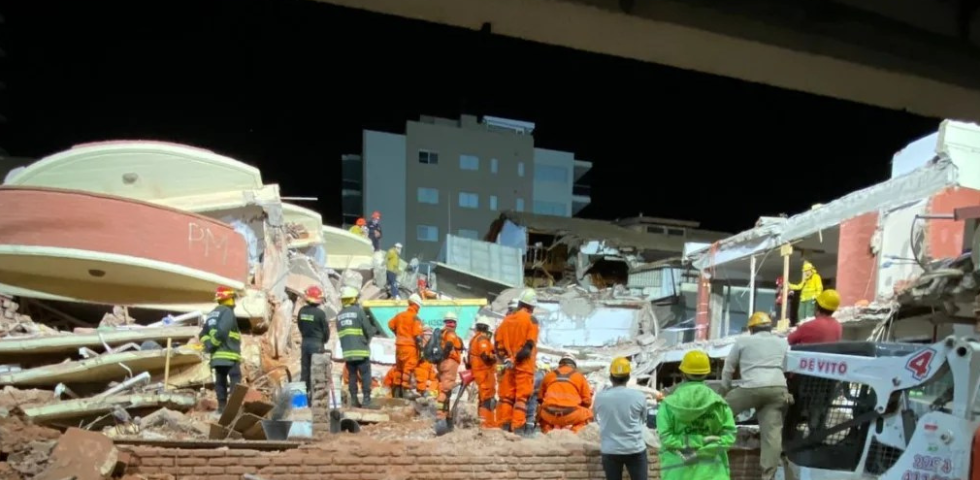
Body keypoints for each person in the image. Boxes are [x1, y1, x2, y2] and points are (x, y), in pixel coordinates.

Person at [721, 312, 789, 480]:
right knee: (771, 436)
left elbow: (728, 367)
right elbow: (787, 367)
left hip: (750, 388)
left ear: (751, 329)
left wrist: (724, 391)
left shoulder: (743, 341)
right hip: (777, 389)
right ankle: (768, 476)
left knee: (718, 412)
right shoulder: (782, 342)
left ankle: (702, 450)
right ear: (770, 327)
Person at [658, 351, 737, 480]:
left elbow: (666, 437)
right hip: (712, 473)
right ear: (706, 373)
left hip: (677, 472)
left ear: (683, 373)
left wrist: (689, 445)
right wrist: (705, 446)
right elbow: (729, 435)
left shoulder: (668, 405)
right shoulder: (719, 404)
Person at [494, 288, 540, 435]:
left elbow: (498, 344)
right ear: (531, 306)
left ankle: (504, 428)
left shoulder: (506, 320)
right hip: (523, 366)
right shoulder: (531, 320)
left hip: (508, 366)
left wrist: (507, 359)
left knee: (507, 398)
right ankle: (517, 430)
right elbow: (528, 347)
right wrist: (515, 359)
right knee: (521, 399)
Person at [593, 357, 648, 480]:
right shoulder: (639, 396)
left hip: (610, 450)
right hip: (635, 449)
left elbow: (596, 419)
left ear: (611, 377)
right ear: (628, 377)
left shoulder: (600, 397)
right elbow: (643, 420)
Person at [199, 286, 242, 414]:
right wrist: (213, 344)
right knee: (235, 378)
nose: (234, 301)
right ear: (228, 299)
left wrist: (209, 345)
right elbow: (223, 332)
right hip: (229, 353)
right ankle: (233, 409)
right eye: (232, 298)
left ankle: (222, 407)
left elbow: (202, 334)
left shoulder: (212, 314)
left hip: (217, 356)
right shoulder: (227, 312)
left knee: (220, 380)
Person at [337, 286, 380, 408]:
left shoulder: (339, 316)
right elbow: (368, 330)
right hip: (361, 350)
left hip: (348, 353)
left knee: (352, 376)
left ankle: (354, 400)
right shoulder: (358, 312)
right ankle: (366, 401)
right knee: (365, 375)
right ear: (353, 299)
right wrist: (373, 331)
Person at [537, 355, 593, 433]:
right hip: (570, 415)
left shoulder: (548, 375)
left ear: (560, 365)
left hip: (549, 414)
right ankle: (574, 433)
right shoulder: (580, 377)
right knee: (589, 414)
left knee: (540, 411)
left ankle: (548, 432)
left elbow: (540, 398)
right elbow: (587, 401)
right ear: (574, 366)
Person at [296, 285, 329, 404]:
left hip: (305, 344)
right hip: (317, 345)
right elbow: (326, 331)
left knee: (304, 373)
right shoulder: (320, 314)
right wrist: (323, 341)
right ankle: (317, 403)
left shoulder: (301, 311)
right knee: (318, 374)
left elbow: (300, 326)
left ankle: (299, 403)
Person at [388, 294, 425, 398]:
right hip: (410, 347)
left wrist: (398, 334)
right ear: (417, 306)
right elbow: (418, 336)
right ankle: (406, 390)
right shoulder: (415, 318)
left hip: (399, 346)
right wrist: (421, 351)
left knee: (399, 368)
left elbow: (390, 324)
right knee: (408, 369)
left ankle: (397, 391)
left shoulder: (400, 315)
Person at [466, 316, 497, 427]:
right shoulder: (482, 339)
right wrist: (495, 357)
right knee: (487, 399)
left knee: (484, 398)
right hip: (484, 373)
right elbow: (486, 356)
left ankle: (483, 421)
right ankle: (486, 423)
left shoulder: (474, 339)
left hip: (480, 373)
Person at [436, 312, 465, 420]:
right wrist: (445, 357)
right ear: (454, 323)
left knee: (444, 389)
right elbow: (449, 345)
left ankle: (445, 413)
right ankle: (440, 416)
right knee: (445, 389)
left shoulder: (442, 333)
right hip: (450, 362)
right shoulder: (451, 333)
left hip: (444, 363)